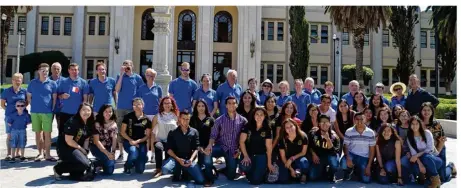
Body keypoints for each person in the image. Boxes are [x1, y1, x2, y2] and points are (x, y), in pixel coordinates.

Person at [203, 96, 248, 184]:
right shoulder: (219, 120)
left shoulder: (243, 121)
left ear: (237, 105)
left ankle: (223, 170)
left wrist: (239, 150)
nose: (231, 105)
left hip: (233, 151)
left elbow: (245, 139)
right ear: (226, 105)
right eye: (229, 103)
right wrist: (209, 145)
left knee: (231, 177)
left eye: (233, 103)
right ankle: (209, 175)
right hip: (220, 147)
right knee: (207, 153)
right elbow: (213, 135)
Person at [161, 112, 206, 185]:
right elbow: (168, 150)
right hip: (176, 159)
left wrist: (191, 160)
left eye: (187, 119)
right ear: (179, 119)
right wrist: (178, 159)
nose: (185, 121)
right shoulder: (173, 132)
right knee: (165, 169)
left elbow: (196, 148)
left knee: (201, 180)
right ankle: (177, 171)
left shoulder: (194, 132)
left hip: (188, 160)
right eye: (183, 119)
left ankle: (186, 171)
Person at [53, 103, 94, 181]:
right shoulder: (73, 121)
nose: (86, 112)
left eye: (88, 110)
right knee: (84, 164)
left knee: (82, 167)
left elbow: (87, 139)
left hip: (77, 148)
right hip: (65, 147)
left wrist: (85, 150)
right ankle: (58, 168)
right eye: (83, 110)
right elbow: (69, 141)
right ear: (79, 111)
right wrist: (81, 149)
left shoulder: (89, 123)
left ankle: (73, 171)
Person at [419, 102, 456, 182]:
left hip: (439, 149)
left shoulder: (436, 124)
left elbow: (442, 140)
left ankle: (450, 166)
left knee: (443, 178)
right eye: (424, 110)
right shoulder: (418, 123)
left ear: (432, 111)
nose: (426, 112)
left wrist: (437, 152)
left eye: (429, 110)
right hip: (425, 151)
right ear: (421, 111)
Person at [115, 60, 145, 160]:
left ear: (132, 66)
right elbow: (117, 90)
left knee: (132, 130)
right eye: (125, 65)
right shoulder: (120, 76)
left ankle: (132, 150)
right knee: (120, 129)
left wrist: (140, 106)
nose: (127, 67)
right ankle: (121, 152)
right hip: (121, 107)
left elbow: (141, 92)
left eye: (129, 66)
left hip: (133, 108)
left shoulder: (137, 78)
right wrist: (122, 74)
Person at [27, 63, 58, 162]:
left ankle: (48, 154)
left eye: (47, 71)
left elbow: (54, 98)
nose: (45, 73)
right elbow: (29, 97)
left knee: (47, 134)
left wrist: (51, 109)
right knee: (38, 134)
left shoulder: (52, 83)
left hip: (47, 113)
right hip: (35, 112)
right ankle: (40, 153)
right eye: (43, 71)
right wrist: (34, 106)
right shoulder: (32, 83)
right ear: (39, 71)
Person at [238, 107, 275, 185]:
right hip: (248, 155)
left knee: (255, 182)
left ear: (265, 116)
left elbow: (269, 147)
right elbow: (241, 142)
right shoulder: (248, 125)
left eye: (261, 115)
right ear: (254, 116)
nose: (259, 116)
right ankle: (247, 171)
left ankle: (259, 172)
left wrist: (269, 163)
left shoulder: (267, 129)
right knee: (245, 167)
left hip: (261, 155)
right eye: (257, 114)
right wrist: (245, 156)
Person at [407, 116, 443, 187]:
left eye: (416, 123)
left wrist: (417, 155)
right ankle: (426, 176)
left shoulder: (426, 133)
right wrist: (420, 165)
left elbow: (430, 149)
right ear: (410, 125)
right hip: (422, 161)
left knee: (425, 156)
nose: (414, 126)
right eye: (412, 124)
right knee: (413, 164)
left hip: (434, 160)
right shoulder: (409, 137)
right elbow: (413, 153)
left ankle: (436, 180)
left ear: (420, 124)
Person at [340, 112, 376, 183]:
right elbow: (345, 146)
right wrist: (347, 158)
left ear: (365, 119)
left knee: (366, 180)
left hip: (364, 157)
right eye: (357, 119)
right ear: (354, 120)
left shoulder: (370, 133)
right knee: (344, 163)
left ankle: (357, 171)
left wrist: (368, 166)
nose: (359, 121)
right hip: (352, 155)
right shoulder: (349, 131)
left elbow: (372, 150)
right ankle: (348, 172)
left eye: (362, 119)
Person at [120, 98, 152, 174]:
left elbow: (147, 136)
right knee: (133, 152)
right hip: (129, 142)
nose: (136, 106)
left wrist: (138, 141)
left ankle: (143, 158)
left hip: (141, 143)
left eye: (138, 104)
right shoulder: (127, 117)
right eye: (134, 105)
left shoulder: (147, 119)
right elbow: (122, 132)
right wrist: (131, 141)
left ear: (143, 105)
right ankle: (127, 165)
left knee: (140, 170)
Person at [135, 68, 162, 158]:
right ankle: (146, 153)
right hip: (145, 114)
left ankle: (153, 154)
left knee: (154, 135)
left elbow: (161, 101)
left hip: (155, 114)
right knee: (146, 135)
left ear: (154, 77)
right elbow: (137, 102)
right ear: (145, 76)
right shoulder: (141, 88)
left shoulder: (158, 88)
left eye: (152, 76)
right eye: (148, 75)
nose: (150, 77)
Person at [57, 63, 90, 136]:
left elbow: (85, 99)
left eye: (75, 70)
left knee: (78, 134)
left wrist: (83, 111)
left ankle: (77, 147)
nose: (74, 71)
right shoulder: (63, 82)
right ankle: (62, 147)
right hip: (65, 112)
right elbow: (57, 95)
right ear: (68, 70)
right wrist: (62, 96)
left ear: (78, 71)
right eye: (72, 70)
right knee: (63, 133)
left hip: (77, 113)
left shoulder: (83, 83)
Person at [1, 73, 27, 161]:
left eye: (19, 80)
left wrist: (21, 109)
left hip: (21, 117)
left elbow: (27, 102)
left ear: (21, 81)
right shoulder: (6, 91)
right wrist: (10, 112)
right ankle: (9, 154)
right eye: (15, 80)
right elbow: (2, 104)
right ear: (12, 80)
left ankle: (18, 153)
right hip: (10, 116)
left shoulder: (24, 91)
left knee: (19, 134)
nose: (17, 81)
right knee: (10, 135)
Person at [152, 96, 179, 177]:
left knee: (167, 167)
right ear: (162, 105)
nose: (167, 105)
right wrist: (152, 147)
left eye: (169, 103)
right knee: (158, 147)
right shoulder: (157, 116)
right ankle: (158, 169)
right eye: (165, 103)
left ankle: (165, 166)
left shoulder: (176, 116)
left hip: (172, 143)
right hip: (160, 140)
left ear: (172, 105)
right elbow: (153, 133)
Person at [308, 115, 340, 182]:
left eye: (326, 122)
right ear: (319, 124)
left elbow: (334, 153)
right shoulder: (313, 133)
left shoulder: (335, 136)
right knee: (312, 176)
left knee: (334, 161)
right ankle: (324, 171)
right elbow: (309, 146)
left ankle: (332, 174)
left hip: (330, 156)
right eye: (322, 122)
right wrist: (313, 154)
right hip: (319, 158)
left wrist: (328, 139)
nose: (325, 124)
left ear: (330, 123)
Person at [278, 118, 310, 184]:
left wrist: (292, 158)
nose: (290, 129)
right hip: (286, 160)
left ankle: (303, 174)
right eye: (287, 127)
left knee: (304, 162)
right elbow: (283, 156)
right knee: (283, 180)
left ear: (295, 126)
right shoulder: (282, 139)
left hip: (298, 158)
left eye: (291, 126)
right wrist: (291, 169)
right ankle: (293, 172)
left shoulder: (303, 136)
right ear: (285, 129)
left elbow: (303, 152)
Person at [90, 104, 117, 175]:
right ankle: (92, 164)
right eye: (106, 111)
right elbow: (97, 141)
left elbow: (114, 139)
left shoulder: (114, 123)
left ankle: (100, 163)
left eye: (110, 111)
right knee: (110, 161)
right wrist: (107, 153)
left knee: (109, 172)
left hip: (107, 148)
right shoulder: (97, 124)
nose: (108, 113)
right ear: (102, 112)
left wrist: (113, 152)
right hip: (96, 148)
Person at [190, 99, 215, 167]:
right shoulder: (192, 119)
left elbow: (213, 134)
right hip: (196, 145)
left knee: (206, 163)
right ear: (196, 107)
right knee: (198, 164)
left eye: (203, 106)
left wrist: (210, 145)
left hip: (207, 145)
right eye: (199, 106)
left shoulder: (210, 119)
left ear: (206, 107)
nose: (201, 108)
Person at [49, 62, 64, 128]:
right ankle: (46, 138)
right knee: (47, 128)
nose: (56, 70)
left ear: (61, 70)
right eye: (54, 69)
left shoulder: (65, 81)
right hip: (49, 108)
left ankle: (60, 138)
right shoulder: (46, 80)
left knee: (61, 127)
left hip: (61, 108)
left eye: (58, 69)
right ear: (51, 70)